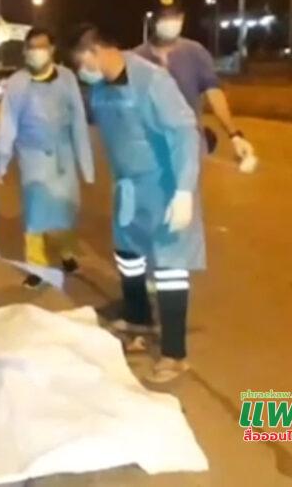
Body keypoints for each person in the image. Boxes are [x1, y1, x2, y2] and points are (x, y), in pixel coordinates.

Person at [69, 23, 204, 384]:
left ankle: (174, 353)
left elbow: (183, 133)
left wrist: (183, 191)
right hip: (129, 187)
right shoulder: (101, 91)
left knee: (170, 266)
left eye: (81, 62)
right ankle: (138, 318)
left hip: (164, 187)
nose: (82, 71)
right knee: (128, 256)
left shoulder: (152, 81)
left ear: (95, 51)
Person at [0, 27, 95, 288]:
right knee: (35, 214)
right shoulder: (17, 82)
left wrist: (86, 164)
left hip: (63, 156)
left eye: (41, 46)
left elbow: (78, 120)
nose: (36, 52)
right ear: (25, 51)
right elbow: (8, 123)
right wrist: (1, 161)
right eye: (31, 47)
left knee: (65, 209)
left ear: (52, 49)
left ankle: (67, 255)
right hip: (33, 157)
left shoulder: (67, 78)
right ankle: (36, 266)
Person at [134, 0, 256, 169]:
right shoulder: (136, 59)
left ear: (182, 18)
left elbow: (214, 94)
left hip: (189, 149)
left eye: (174, 16)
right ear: (153, 20)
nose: (170, 22)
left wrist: (234, 135)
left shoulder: (195, 52)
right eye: (164, 16)